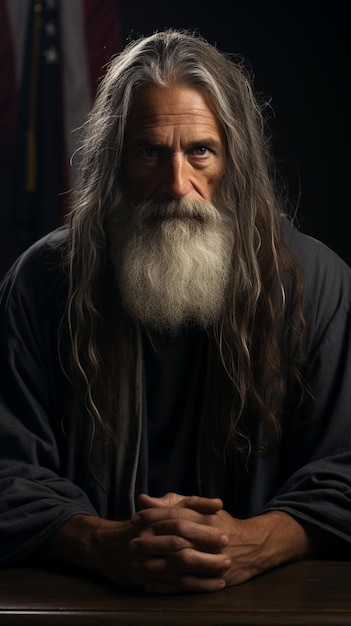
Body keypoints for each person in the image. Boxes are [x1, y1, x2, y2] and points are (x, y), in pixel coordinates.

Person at [1, 28, 351, 595]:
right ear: (116, 162)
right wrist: (101, 543)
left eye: (200, 151)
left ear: (232, 160)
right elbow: (7, 469)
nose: (176, 184)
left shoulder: (318, 284)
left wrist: (256, 542)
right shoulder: (43, 281)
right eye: (150, 152)